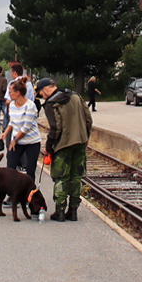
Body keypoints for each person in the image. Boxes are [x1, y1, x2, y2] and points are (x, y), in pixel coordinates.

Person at [36, 77, 92, 222]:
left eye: (41, 93)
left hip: (62, 145)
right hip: (80, 141)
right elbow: (88, 119)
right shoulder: (76, 96)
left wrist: (49, 148)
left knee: (61, 177)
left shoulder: (52, 104)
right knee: (76, 177)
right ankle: (73, 211)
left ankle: (60, 212)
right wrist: (86, 137)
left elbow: (56, 128)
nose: (42, 97)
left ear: (46, 89)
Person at [1, 78, 42, 182]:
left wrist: (14, 140)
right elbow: (12, 122)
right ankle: (11, 194)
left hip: (31, 142)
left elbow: (26, 128)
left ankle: (29, 194)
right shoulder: (12, 105)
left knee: (30, 170)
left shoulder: (30, 106)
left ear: (17, 93)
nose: (8, 94)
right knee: (10, 167)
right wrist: (5, 133)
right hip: (17, 141)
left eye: (10, 92)